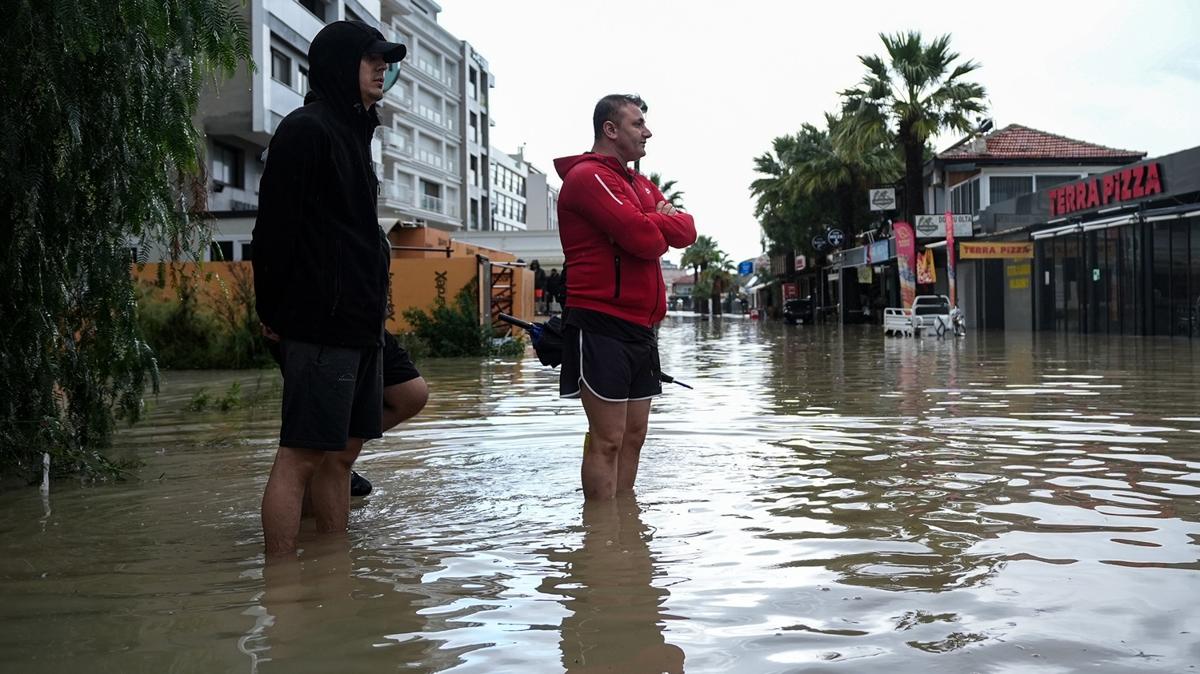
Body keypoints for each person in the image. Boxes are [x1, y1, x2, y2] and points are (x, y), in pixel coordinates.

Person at [252, 20, 406, 556]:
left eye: (386, 61)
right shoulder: (307, 130)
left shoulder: (354, 132)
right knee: (300, 455)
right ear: (343, 66)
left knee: (340, 455)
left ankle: (332, 568)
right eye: (372, 60)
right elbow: (272, 233)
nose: (382, 68)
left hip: (359, 323)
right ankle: (282, 582)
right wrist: (272, 311)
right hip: (319, 320)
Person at [554, 94, 697, 501]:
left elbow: (686, 231)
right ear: (610, 129)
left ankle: (623, 536)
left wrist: (647, 216)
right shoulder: (588, 177)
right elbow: (644, 240)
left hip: (641, 327)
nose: (647, 131)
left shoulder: (637, 183)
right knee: (609, 438)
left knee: (634, 436)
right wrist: (654, 218)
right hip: (600, 323)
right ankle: (600, 539)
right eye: (638, 124)